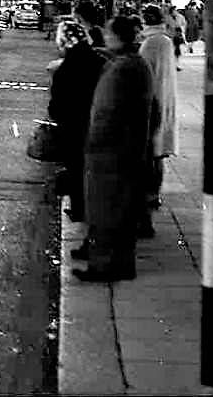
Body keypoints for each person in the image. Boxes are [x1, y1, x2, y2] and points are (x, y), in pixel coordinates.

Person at [74, 15, 153, 283]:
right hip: (122, 150)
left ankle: (106, 265)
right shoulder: (133, 63)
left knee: (106, 211)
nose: (105, 37)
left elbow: (107, 112)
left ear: (118, 37)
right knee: (116, 210)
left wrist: (94, 144)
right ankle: (115, 263)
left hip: (111, 153)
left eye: (109, 34)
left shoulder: (123, 68)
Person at [48, 21, 105, 223]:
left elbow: (57, 105)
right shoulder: (98, 59)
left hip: (74, 127)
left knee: (76, 169)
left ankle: (79, 209)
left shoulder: (67, 67)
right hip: (97, 124)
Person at [138, 4, 177, 219]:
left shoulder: (150, 44)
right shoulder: (166, 41)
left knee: (151, 154)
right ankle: (154, 193)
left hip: (152, 104)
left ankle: (150, 194)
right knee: (159, 154)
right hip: (165, 101)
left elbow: (143, 73)